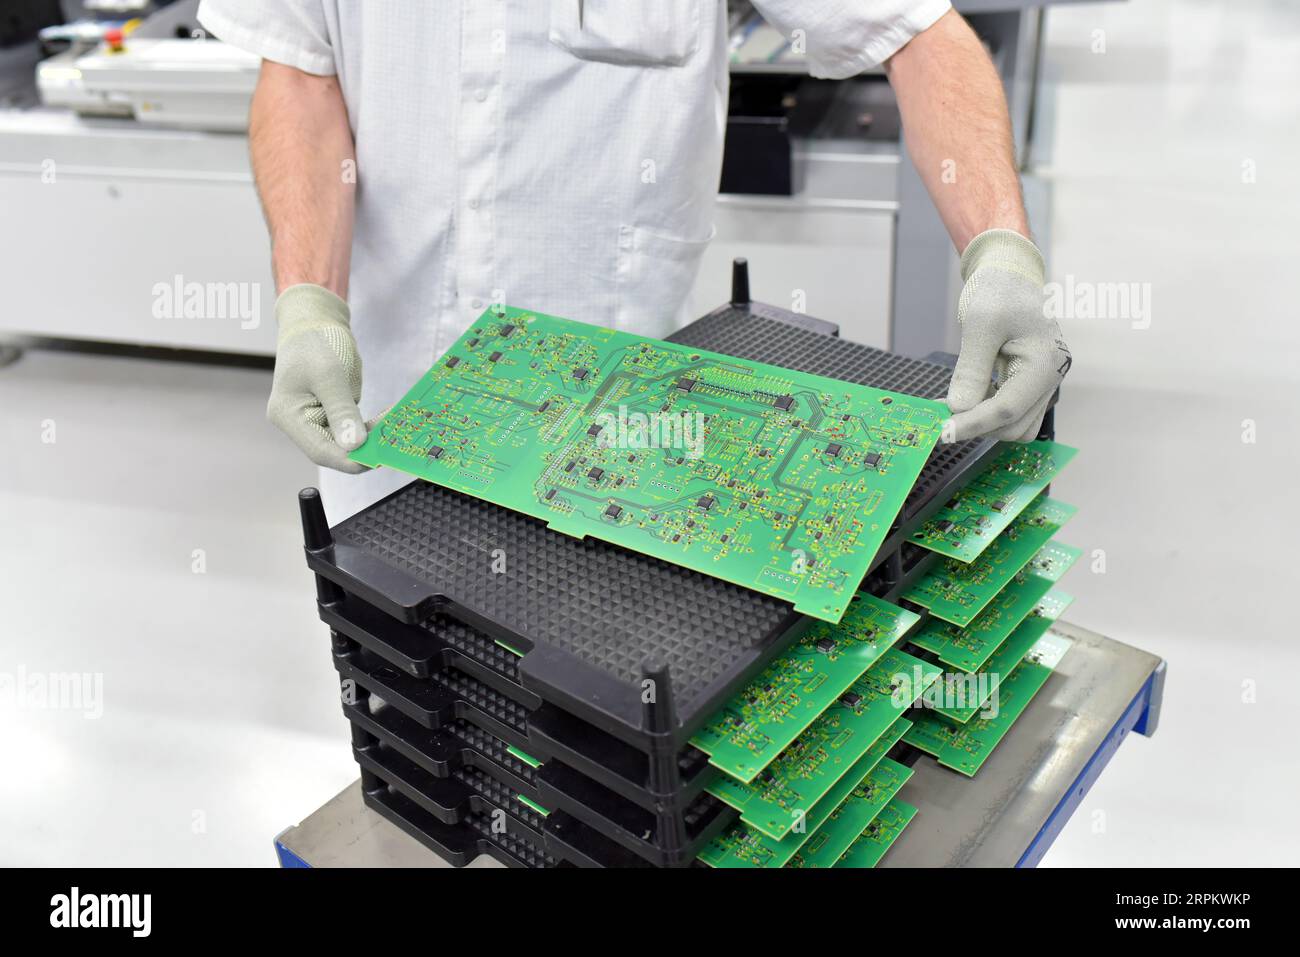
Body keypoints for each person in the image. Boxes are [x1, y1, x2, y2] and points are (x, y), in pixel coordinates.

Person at [198, 0, 1071, 520]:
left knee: (600, 744)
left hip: (618, 422)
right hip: (385, 411)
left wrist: (1002, 252)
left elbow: (919, 35)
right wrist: (309, 303)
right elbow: (299, 72)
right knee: (409, 714)